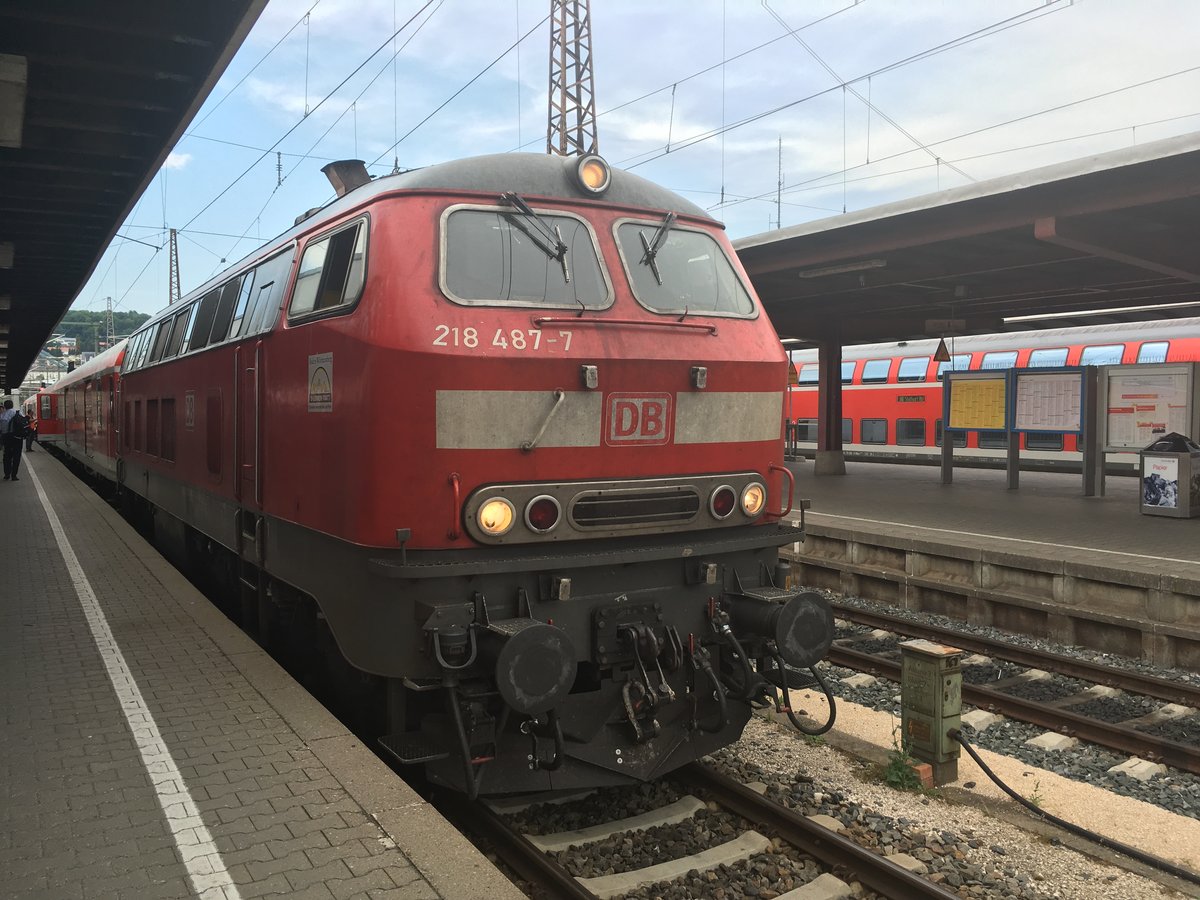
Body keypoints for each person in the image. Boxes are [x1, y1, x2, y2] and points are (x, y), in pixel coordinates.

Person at [2, 400, 27, 481]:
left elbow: (1, 429)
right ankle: (14, 476)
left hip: (7, 438)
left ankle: (7, 474)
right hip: (17, 438)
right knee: (16, 457)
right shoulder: (18, 413)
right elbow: (24, 424)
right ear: (12, 405)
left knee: (7, 456)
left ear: (4, 406)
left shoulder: (2, 416)